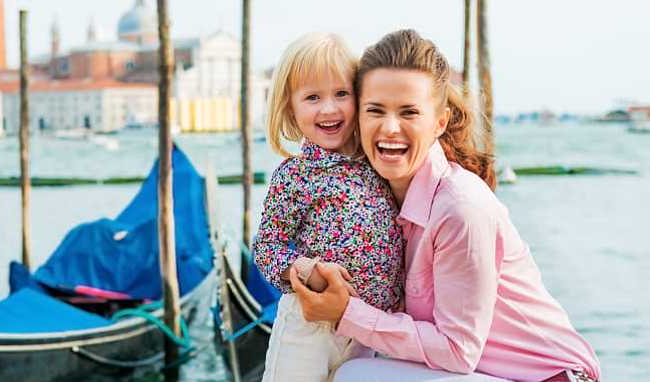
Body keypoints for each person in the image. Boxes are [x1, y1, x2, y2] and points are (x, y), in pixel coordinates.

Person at [289, 29, 601, 382]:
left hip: (551, 378)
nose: (390, 128)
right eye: (375, 110)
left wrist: (347, 312)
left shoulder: (460, 208)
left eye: (409, 112)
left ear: (440, 122)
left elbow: (457, 350)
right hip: (481, 374)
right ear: (358, 118)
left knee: (355, 377)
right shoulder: (373, 200)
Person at [252, 32, 405, 382]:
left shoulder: (378, 163)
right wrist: (303, 269)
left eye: (341, 93)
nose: (329, 108)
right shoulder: (296, 175)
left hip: (367, 327)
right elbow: (267, 245)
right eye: (312, 97)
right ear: (290, 107)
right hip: (308, 326)